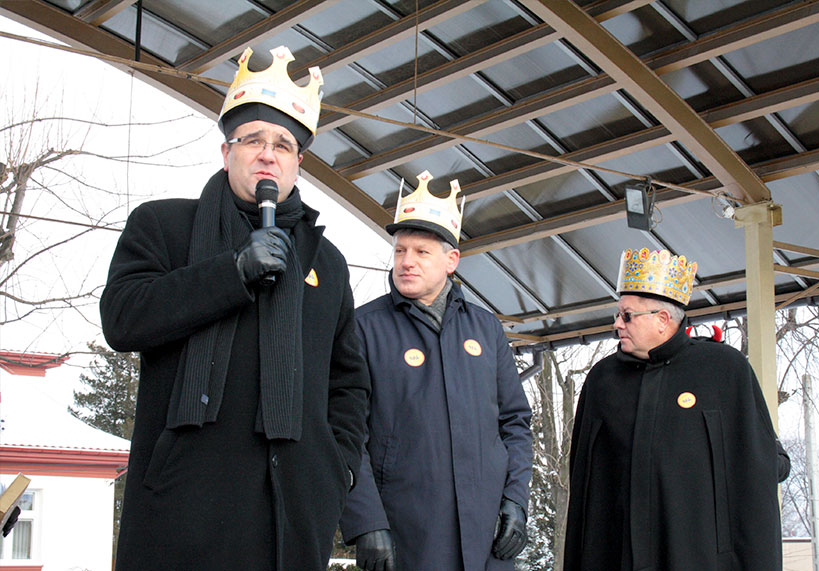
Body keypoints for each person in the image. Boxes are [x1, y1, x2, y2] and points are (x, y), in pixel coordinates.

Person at [100, 46, 369, 570]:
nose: (268, 154)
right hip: (183, 508)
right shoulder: (163, 226)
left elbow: (349, 381)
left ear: (297, 163)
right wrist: (232, 272)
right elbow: (123, 317)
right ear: (227, 152)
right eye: (253, 140)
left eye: (284, 145)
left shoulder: (327, 262)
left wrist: (336, 469)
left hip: (291, 513)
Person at [339, 171, 533, 570]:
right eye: (399, 251)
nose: (406, 262)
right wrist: (366, 521)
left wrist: (516, 499)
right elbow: (345, 433)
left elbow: (515, 422)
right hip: (406, 535)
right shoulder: (363, 327)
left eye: (421, 252)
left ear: (451, 260)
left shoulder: (486, 328)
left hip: (488, 537)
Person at [563, 248, 784, 570]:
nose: (617, 324)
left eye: (627, 315)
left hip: (699, 553)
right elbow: (586, 483)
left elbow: (755, 456)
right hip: (619, 553)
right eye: (617, 315)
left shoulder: (723, 369)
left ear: (663, 320)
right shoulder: (603, 379)